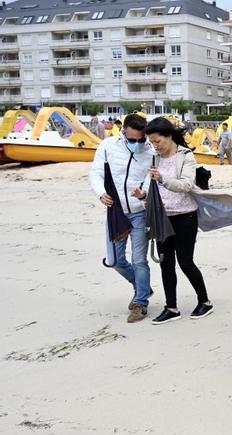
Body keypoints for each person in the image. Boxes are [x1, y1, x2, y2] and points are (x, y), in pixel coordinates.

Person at [136, 117, 213, 324]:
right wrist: (143, 196)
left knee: (186, 261)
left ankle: (204, 302)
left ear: (169, 136)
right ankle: (171, 308)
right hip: (163, 218)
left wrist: (162, 179)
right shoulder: (155, 158)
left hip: (186, 216)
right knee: (165, 264)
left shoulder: (185, 155)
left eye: (158, 141)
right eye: (151, 143)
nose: (155, 146)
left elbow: (187, 184)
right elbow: (153, 190)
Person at [89, 114, 154, 323]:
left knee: (139, 259)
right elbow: (96, 173)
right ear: (123, 132)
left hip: (140, 213)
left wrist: (143, 193)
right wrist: (101, 193)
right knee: (115, 261)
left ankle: (141, 302)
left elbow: (150, 179)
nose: (137, 144)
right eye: (132, 140)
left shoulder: (151, 152)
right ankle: (142, 287)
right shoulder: (108, 146)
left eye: (141, 140)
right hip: (116, 213)